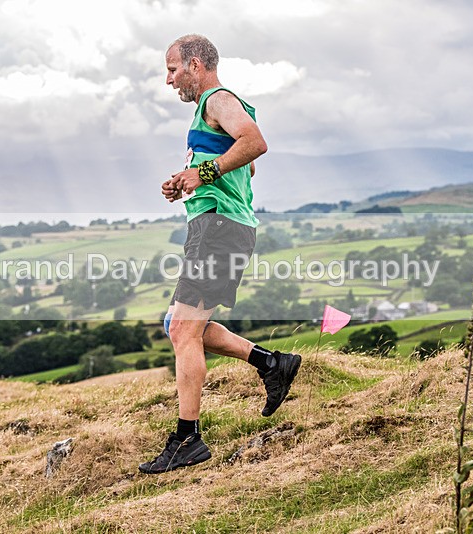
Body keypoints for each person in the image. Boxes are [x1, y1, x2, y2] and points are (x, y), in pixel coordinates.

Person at [139, 35, 301, 475]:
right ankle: (272, 363)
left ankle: (187, 439)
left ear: (195, 64)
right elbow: (246, 166)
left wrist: (204, 172)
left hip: (220, 229)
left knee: (182, 331)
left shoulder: (218, 99)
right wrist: (188, 178)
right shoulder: (211, 110)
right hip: (217, 226)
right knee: (177, 324)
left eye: (172, 69)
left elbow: (255, 144)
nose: (169, 80)